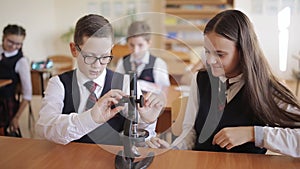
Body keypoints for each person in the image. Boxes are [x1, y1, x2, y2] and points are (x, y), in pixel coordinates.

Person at [146, 10, 300, 158]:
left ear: (243, 52)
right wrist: (174, 149)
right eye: (207, 52)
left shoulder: (267, 88)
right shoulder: (200, 79)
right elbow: (190, 134)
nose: (210, 61)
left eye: (220, 54)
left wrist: (253, 134)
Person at [35, 14, 165, 145]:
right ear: (74, 50)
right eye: (90, 56)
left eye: (104, 57)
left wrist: (148, 121)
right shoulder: (58, 84)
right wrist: (90, 118)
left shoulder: (126, 83)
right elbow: (43, 129)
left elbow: (140, 137)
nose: (97, 66)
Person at [115, 21, 170, 92]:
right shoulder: (123, 61)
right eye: (131, 45)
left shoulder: (158, 64)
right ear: (127, 42)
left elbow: (164, 90)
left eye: (140, 45)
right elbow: (116, 85)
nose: (135, 50)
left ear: (149, 43)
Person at [0, 24, 32, 136]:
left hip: (5, 105)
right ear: (3, 37)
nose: (13, 46)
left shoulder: (21, 62)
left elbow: (28, 95)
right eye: (10, 42)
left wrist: (16, 117)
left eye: (18, 44)